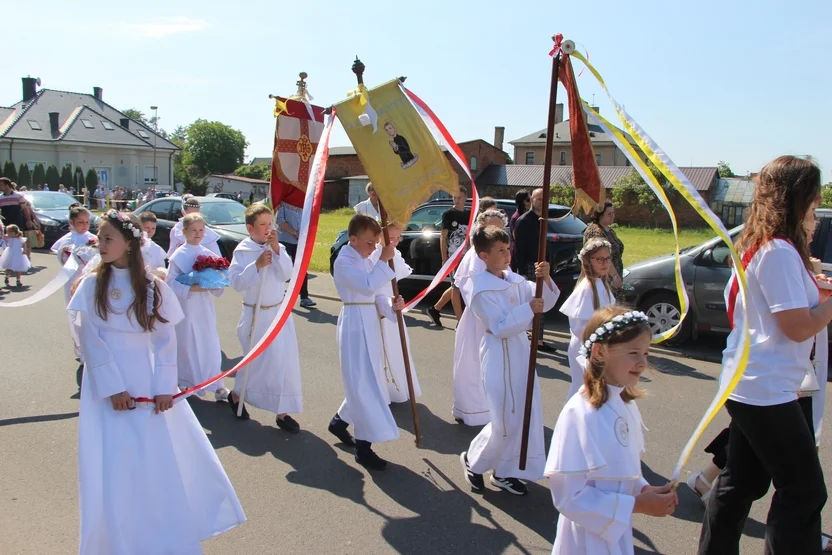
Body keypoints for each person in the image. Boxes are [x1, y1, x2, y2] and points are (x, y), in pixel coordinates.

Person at [69, 210, 245, 554]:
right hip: (106, 385)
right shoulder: (91, 284)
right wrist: (112, 387)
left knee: (150, 457)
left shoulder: (152, 287)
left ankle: (156, 531)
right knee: (114, 460)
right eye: (99, 238)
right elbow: (88, 337)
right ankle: (115, 538)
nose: (100, 244)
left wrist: (165, 386)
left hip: (144, 378)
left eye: (108, 239)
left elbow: (166, 338)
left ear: (130, 244)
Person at [699, 155, 830, 554]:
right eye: (813, 199)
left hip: (758, 383)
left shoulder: (770, 247)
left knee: (743, 483)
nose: (817, 206)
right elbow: (797, 326)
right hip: (765, 388)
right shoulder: (777, 251)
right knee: (804, 490)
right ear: (796, 198)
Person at [545, 306, 678, 554]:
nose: (642, 362)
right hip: (586, 537)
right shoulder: (580, 413)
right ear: (599, 352)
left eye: (646, 353)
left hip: (614, 530)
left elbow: (621, 468)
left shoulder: (623, 403)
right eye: (633, 352)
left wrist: (644, 489)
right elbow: (568, 496)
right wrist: (636, 505)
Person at [460, 225, 559, 496]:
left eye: (508, 248)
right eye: (500, 250)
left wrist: (545, 280)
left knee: (524, 414)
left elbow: (546, 301)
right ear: (483, 256)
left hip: (520, 353)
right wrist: (528, 309)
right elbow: (500, 326)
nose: (507, 254)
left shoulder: (514, 280)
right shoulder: (480, 290)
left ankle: (505, 471)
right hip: (498, 355)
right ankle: (474, 460)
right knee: (505, 419)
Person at [327, 214, 404, 470]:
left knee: (368, 379)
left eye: (376, 244)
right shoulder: (344, 261)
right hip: (354, 324)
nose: (374, 248)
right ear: (353, 238)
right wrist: (383, 260)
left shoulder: (365, 258)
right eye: (370, 243)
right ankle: (363, 446)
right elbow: (368, 286)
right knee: (363, 381)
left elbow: (378, 294)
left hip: (370, 322)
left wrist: (392, 307)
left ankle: (339, 421)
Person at [228, 204, 303, 432]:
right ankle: (237, 395)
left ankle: (282, 412)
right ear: (250, 228)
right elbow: (236, 283)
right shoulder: (242, 251)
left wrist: (278, 252)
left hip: (278, 314)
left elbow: (287, 274)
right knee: (258, 364)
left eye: (270, 224)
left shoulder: (277, 246)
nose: (268, 229)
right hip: (255, 316)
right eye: (262, 224)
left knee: (284, 364)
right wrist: (257, 266)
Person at [166, 213, 230, 402]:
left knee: (209, 343)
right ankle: (186, 381)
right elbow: (170, 282)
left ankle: (217, 384)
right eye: (193, 230)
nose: (198, 234)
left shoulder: (208, 253)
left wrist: (216, 283)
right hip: (186, 307)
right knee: (188, 345)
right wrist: (193, 286)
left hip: (203, 307)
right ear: (184, 232)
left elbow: (219, 279)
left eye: (201, 230)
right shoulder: (179, 254)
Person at [452, 207, 505, 426]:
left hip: (496, 314)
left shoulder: (500, 252)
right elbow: (468, 287)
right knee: (474, 362)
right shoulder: (475, 256)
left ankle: (491, 406)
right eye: (489, 227)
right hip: (478, 317)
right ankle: (473, 410)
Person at [370, 221, 421, 404]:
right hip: (378, 304)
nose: (395, 241)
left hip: (392, 303)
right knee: (382, 348)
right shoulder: (373, 255)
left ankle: (399, 386)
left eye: (398, 237)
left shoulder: (394, 253)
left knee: (397, 345)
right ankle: (383, 390)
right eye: (391, 237)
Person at [559, 238, 616, 402]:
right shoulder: (586, 288)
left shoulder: (602, 284)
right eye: (599, 259)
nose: (605, 263)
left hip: (598, 345)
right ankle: (570, 422)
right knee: (582, 388)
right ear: (587, 261)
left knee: (594, 389)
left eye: (607, 259)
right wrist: (597, 343)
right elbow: (578, 326)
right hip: (584, 347)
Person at [513, 187, 557, 353]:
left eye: (544, 199)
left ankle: (537, 339)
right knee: (535, 302)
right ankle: (535, 340)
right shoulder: (523, 221)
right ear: (531, 200)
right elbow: (518, 249)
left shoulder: (544, 220)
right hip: (530, 266)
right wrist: (522, 270)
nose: (542, 202)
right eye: (539, 199)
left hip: (542, 266)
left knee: (542, 301)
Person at [52, 204, 97, 363]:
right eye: (80, 222)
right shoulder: (67, 241)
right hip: (72, 280)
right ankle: (79, 347)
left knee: (89, 313)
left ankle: (90, 347)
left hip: (90, 279)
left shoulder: (93, 238)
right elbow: (62, 259)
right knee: (75, 312)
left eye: (87, 222)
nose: (84, 225)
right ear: (71, 222)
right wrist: (68, 254)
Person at [425, 187, 470, 326]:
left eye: (459, 197)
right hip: (453, 255)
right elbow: (443, 237)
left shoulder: (469, 214)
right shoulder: (448, 214)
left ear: (465, 198)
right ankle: (460, 321)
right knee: (456, 286)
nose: (456, 200)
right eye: (454, 197)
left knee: (459, 284)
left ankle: (435, 309)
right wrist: (445, 257)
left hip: (466, 255)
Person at [277, 201, 316, 308]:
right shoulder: (283, 204)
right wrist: (294, 232)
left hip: (299, 242)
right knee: (283, 267)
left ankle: (304, 297)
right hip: (285, 240)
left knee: (301, 269)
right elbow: (280, 221)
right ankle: (279, 293)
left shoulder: (305, 205)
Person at [584, 201, 625, 295]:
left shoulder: (609, 230)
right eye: (609, 214)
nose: (612, 216)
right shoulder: (595, 232)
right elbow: (601, 257)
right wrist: (614, 276)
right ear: (600, 215)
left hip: (613, 277)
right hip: (603, 278)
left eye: (613, 213)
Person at [509, 190, 530, 272]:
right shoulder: (516, 217)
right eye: (527, 200)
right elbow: (517, 238)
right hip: (518, 253)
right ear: (521, 202)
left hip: (526, 253)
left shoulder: (527, 215)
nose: (530, 202)